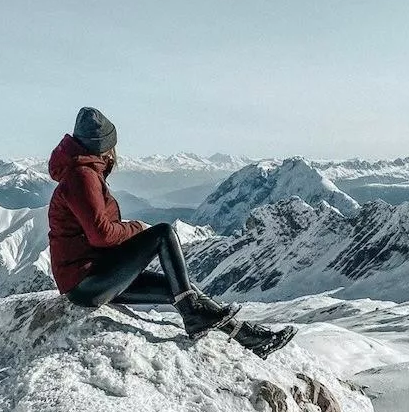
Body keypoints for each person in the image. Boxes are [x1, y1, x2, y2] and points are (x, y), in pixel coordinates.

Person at [48, 107, 296, 358]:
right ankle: (193, 315)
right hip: (86, 282)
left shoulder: (83, 172)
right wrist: (137, 229)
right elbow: (100, 235)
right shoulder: (82, 176)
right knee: (163, 233)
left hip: (94, 276)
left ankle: (249, 337)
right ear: (105, 147)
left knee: (180, 288)